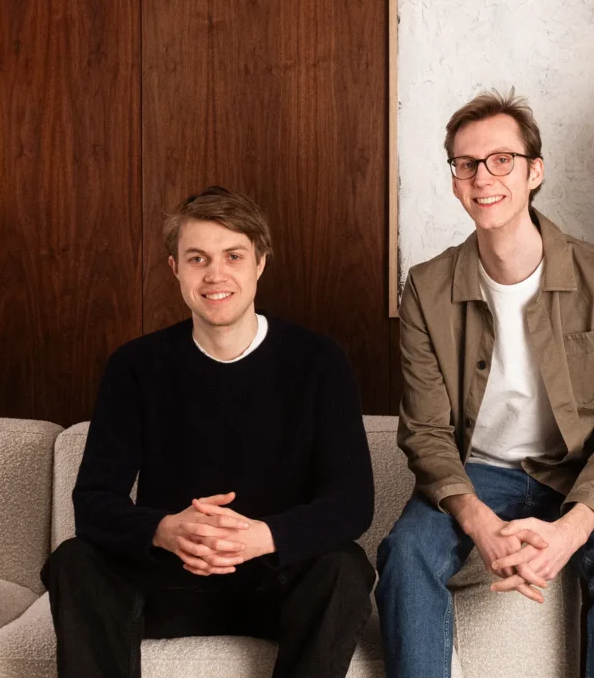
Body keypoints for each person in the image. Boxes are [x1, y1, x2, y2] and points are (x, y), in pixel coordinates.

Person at [376, 89, 594, 678]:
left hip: (576, 471)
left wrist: (568, 532)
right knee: (405, 555)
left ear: (535, 172)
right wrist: (481, 524)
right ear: (455, 179)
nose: (484, 178)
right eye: (466, 164)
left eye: (502, 160)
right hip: (475, 471)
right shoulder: (426, 289)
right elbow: (426, 434)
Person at [42, 185, 376, 678]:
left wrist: (263, 536)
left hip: (274, 582)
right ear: (176, 269)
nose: (215, 274)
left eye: (233, 256)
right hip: (170, 581)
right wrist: (165, 530)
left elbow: (352, 502)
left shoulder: (318, 361)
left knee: (345, 566)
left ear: (259, 263)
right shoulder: (136, 365)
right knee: (75, 560)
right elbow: (93, 500)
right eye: (197, 258)